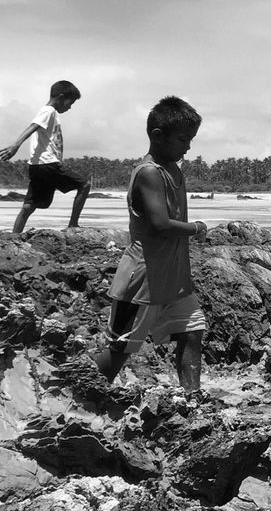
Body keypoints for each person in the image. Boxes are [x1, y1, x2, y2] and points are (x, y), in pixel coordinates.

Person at [94, 96, 210, 392]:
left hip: (174, 277)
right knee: (119, 350)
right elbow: (159, 224)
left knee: (192, 332)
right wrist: (196, 228)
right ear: (158, 136)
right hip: (142, 280)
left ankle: (192, 400)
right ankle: (80, 400)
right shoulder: (149, 172)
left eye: (191, 140)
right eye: (184, 139)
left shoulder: (173, 169)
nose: (188, 147)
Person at [0, 80, 92, 232]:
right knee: (84, 185)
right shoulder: (48, 111)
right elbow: (33, 126)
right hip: (48, 163)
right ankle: (73, 225)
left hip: (36, 166)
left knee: (29, 206)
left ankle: (14, 237)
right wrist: (15, 145)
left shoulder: (50, 113)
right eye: (70, 102)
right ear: (61, 97)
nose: (70, 107)